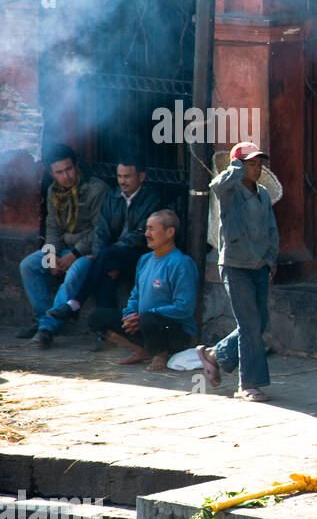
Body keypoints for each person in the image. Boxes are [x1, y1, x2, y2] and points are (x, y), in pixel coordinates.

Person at [39, 158, 163, 350]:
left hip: (140, 258)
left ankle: (74, 304)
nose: (122, 181)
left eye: (128, 176)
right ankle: (104, 333)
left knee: (100, 261)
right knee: (105, 274)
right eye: (120, 176)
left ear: (141, 177)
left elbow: (139, 237)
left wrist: (108, 255)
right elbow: (101, 232)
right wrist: (102, 257)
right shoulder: (113, 197)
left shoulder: (151, 199)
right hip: (109, 257)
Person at [195, 142, 278, 402]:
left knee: (259, 322)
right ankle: (248, 384)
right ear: (239, 166)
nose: (257, 169)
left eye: (259, 164)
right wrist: (235, 168)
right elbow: (216, 186)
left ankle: (214, 355)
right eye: (251, 164)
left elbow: (271, 229)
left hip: (260, 266)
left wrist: (270, 259)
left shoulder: (263, 194)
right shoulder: (229, 191)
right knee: (249, 324)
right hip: (235, 266)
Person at [17, 145, 109, 341]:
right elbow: (53, 228)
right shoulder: (53, 191)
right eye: (59, 172)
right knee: (29, 265)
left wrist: (74, 254)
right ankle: (43, 320)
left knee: (74, 273)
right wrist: (51, 256)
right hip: (63, 249)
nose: (66, 176)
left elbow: (99, 230)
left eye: (69, 169)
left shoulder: (96, 189)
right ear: (51, 173)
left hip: (87, 252)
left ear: (76, 166)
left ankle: (48, 328)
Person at [89, 210, 197, 371]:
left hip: (172, 331)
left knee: (149, 318)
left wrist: (145, 315)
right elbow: (135, 295)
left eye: (152, 229)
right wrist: (129, 315)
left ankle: (161, 353)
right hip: (144, 324)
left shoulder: (181, 263)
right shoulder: (145, 260)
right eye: (146, 229)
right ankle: (142, 350)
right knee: (97, 317)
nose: (146, 234)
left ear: (170, 232)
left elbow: (184, 307)